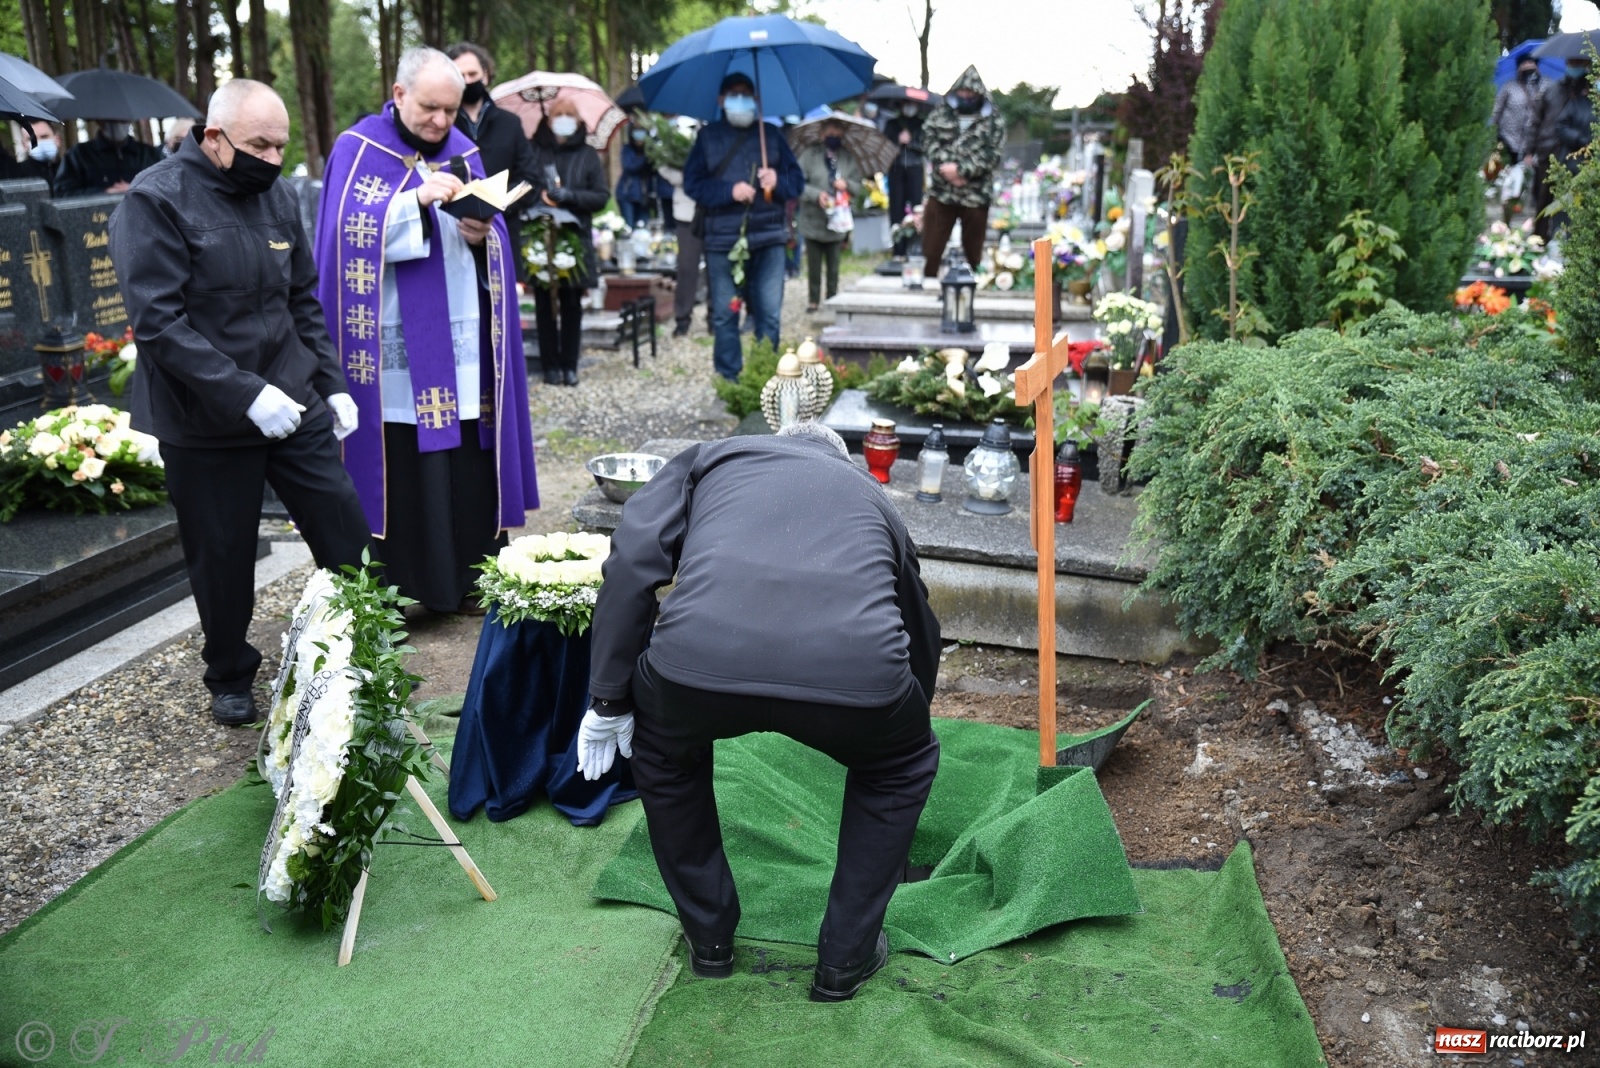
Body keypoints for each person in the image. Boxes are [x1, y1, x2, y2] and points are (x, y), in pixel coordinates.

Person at [576, 423, 942, 1004]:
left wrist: (608, 697)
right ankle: (845, 960)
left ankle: (709, 939)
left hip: (695, 666)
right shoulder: (869, 493)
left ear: (781, 438)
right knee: (899, 766)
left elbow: (630, 565)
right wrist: (906, 720)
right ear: (837, 455)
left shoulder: (711, 458)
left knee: (664, 754)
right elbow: (917, 615)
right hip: (858, 679)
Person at [109, 80, 371, 726]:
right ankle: (229, 672)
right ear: (214, 136)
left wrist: (331, 382)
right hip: (205, 414)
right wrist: (244, 396)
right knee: (222, 554)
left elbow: (302, 299)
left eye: (282, 146)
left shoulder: (276, 195)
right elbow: (159, 324)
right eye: (260, 144)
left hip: (291, 392)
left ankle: (370, 643)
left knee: (341, 519)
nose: (274, 159)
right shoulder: (157, 200)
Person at [313, 46, 539, 613]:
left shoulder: (466, 151)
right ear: (398, 95)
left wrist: (480, 234)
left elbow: (497, 238)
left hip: (461, 340)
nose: (441, 121)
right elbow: (341, 242)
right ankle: (399, 589)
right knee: (402, 460)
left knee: (466, 452)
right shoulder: (357, 148)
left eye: (451, 109)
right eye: (430, 108)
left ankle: (467, 578)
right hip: (395, 344)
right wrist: (413, 201)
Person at [683, 73, 804, 381]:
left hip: (770, 236)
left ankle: (766, 378)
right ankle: (729, 379)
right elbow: (693, 184)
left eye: (746, 94)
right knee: (726, 314)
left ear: (757, 100)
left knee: (769, 314)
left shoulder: (772, 136)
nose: (740, 99)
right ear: (721, 100)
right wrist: (728, 191)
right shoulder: (707, 138)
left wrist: (778, 181)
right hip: (722, 239)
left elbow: (797, 182)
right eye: (734, 94)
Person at [526, 95, 609, 385]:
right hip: (542, 237)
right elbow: (522, 186)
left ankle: (570, 364)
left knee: (572, 305)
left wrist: (571, 196)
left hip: (575, 238)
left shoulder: (588, 155)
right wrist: (541, 197)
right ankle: (549, 365)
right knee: (544, 305)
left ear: (577, 120)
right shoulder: (534, 151)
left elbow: (600, 196)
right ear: (548, 119)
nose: (563, 119)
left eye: (568, 114)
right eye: (557, 114)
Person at [446, 41, 539, 276]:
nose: (467, 80)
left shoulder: (510, 123)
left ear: (485, 75)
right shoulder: (441, 125)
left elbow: (530, 178)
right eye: (460, 75)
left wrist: (498, 205)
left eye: (473, 73)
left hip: (503, 230)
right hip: (452, 235)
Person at [920, 66, 1004, 277]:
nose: (966, 96)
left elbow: (993, 155)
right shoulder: (940, 114)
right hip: (942, 193)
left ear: (979, 94)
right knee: (931, 249)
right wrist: (946, 170)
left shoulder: (993, 120)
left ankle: (974, 288)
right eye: (963, 92)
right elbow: (928, 141)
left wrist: (962, 171)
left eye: (971, 93)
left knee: (974, 252)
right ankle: (927, 288)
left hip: (975, 195)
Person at [795, 117, 863, 312]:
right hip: (813, 217)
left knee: (834, 266)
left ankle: (832, 298)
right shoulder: (809, 155)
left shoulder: (848, 158)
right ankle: (813, 300)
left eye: (837, 134)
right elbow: (798, 183)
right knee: (814, 264)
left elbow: (859, 187)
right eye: (829, 134)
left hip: (838, 221)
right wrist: (817, 195)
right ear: (821, 134)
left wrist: (847, 185)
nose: (833, 137)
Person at [1531, 57, 1593, 241]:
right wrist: (1529, 150)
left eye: (1579, 64)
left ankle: (1570, 242)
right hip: (1548, 150)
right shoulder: (1552, 89)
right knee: (1544, 200)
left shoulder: (1589, 90)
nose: (1574, 67)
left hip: (1579, 156)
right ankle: (1538, 241)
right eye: (1572, 63)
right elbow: (1536, 121)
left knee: (1572, 201)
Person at [656, 123, 704, 337]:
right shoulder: (675, 132)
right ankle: (683, 317)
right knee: (686, 266)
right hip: (685, 209)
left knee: (715, 265)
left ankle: (716, 315)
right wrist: (687, 176)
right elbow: (662, 164)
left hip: (712, 206)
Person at [55, 119, 163, 196]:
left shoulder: (149, 154)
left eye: (123, 120)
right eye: (112, 120)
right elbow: (63, 193)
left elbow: (166, 187)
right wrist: (103, 193)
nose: (118, 124)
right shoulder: (79, 155)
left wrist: (139, 188)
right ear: (99, 120)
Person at [882, 101, 925, 259]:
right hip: (896, 168)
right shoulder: (892, 124)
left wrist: (911, 142)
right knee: (896, 207)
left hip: (915, 168)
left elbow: (925, 145)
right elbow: (885, 147)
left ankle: (915, 246)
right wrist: (898, 141)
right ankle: (898, 249)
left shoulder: (921, 124)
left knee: (917, 208)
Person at [616, 123, 655, 230]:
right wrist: (645, 157)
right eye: (636, 131)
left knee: (643, 230)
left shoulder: (650, 151)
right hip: (627, 194)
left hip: (643, 196)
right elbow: (630, 167)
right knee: (629, 228)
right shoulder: (627, 149)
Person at [4, 121, 59, 190]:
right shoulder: (16, 175)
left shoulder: (70, 169)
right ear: (24, 145)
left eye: (44, 137)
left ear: (57, 140)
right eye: (31, 139)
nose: (38, 142)